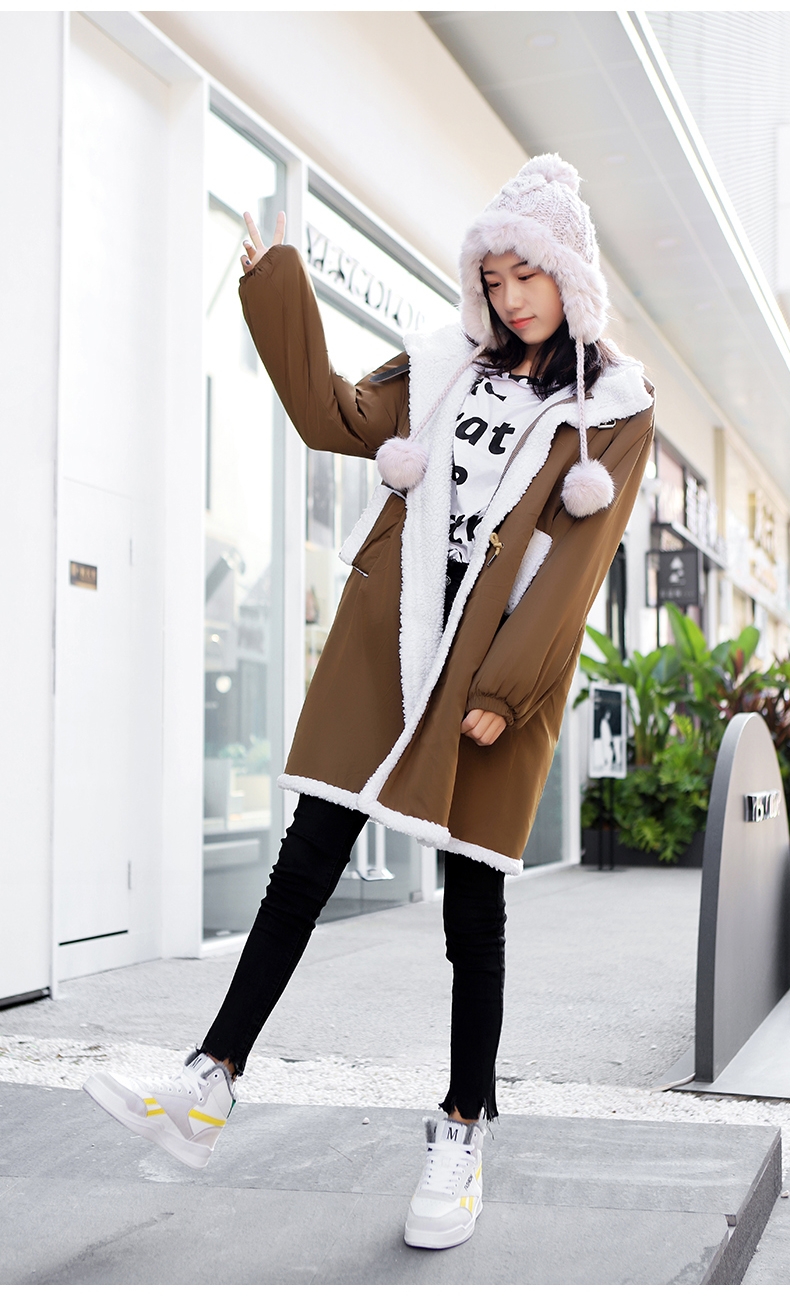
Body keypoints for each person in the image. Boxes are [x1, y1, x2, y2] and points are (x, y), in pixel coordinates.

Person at [84, 154, 654, 1251]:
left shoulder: (613, 411)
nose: (509, 297)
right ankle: (210, 1079)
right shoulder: (444, 366)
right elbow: (332, 414)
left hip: (493, 671)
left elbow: (576, 568)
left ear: (570, 275)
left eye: (527, 274)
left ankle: (463, 1127)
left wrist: (506, 689)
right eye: (493, 277)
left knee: (470, 905)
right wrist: (276, 284)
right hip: (392, 640)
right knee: (304, 860)